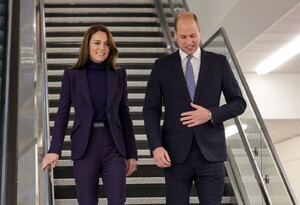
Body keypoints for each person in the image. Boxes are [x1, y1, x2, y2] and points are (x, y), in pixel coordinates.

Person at [143, 12, 246, 205]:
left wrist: (210, 114)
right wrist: (156, 146)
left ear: (199, 31)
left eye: (193, 35)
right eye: (183, 37)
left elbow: (239, 103)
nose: (189, 41)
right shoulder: (161, 67)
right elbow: (150, 109)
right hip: (174, 155)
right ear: (175, 34)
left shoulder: (219, 63)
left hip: (211, 155)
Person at [41, 24, 138, 205]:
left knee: (117, 200)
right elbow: (62, 114)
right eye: (97, 43)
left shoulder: (118, 75)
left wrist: (132, 153)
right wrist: (55, 149)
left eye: (107, 44)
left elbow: (125, 115)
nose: (102, 48)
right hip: (85, 146)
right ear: (87, 46)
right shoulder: (72, 75)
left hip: (113, 146)